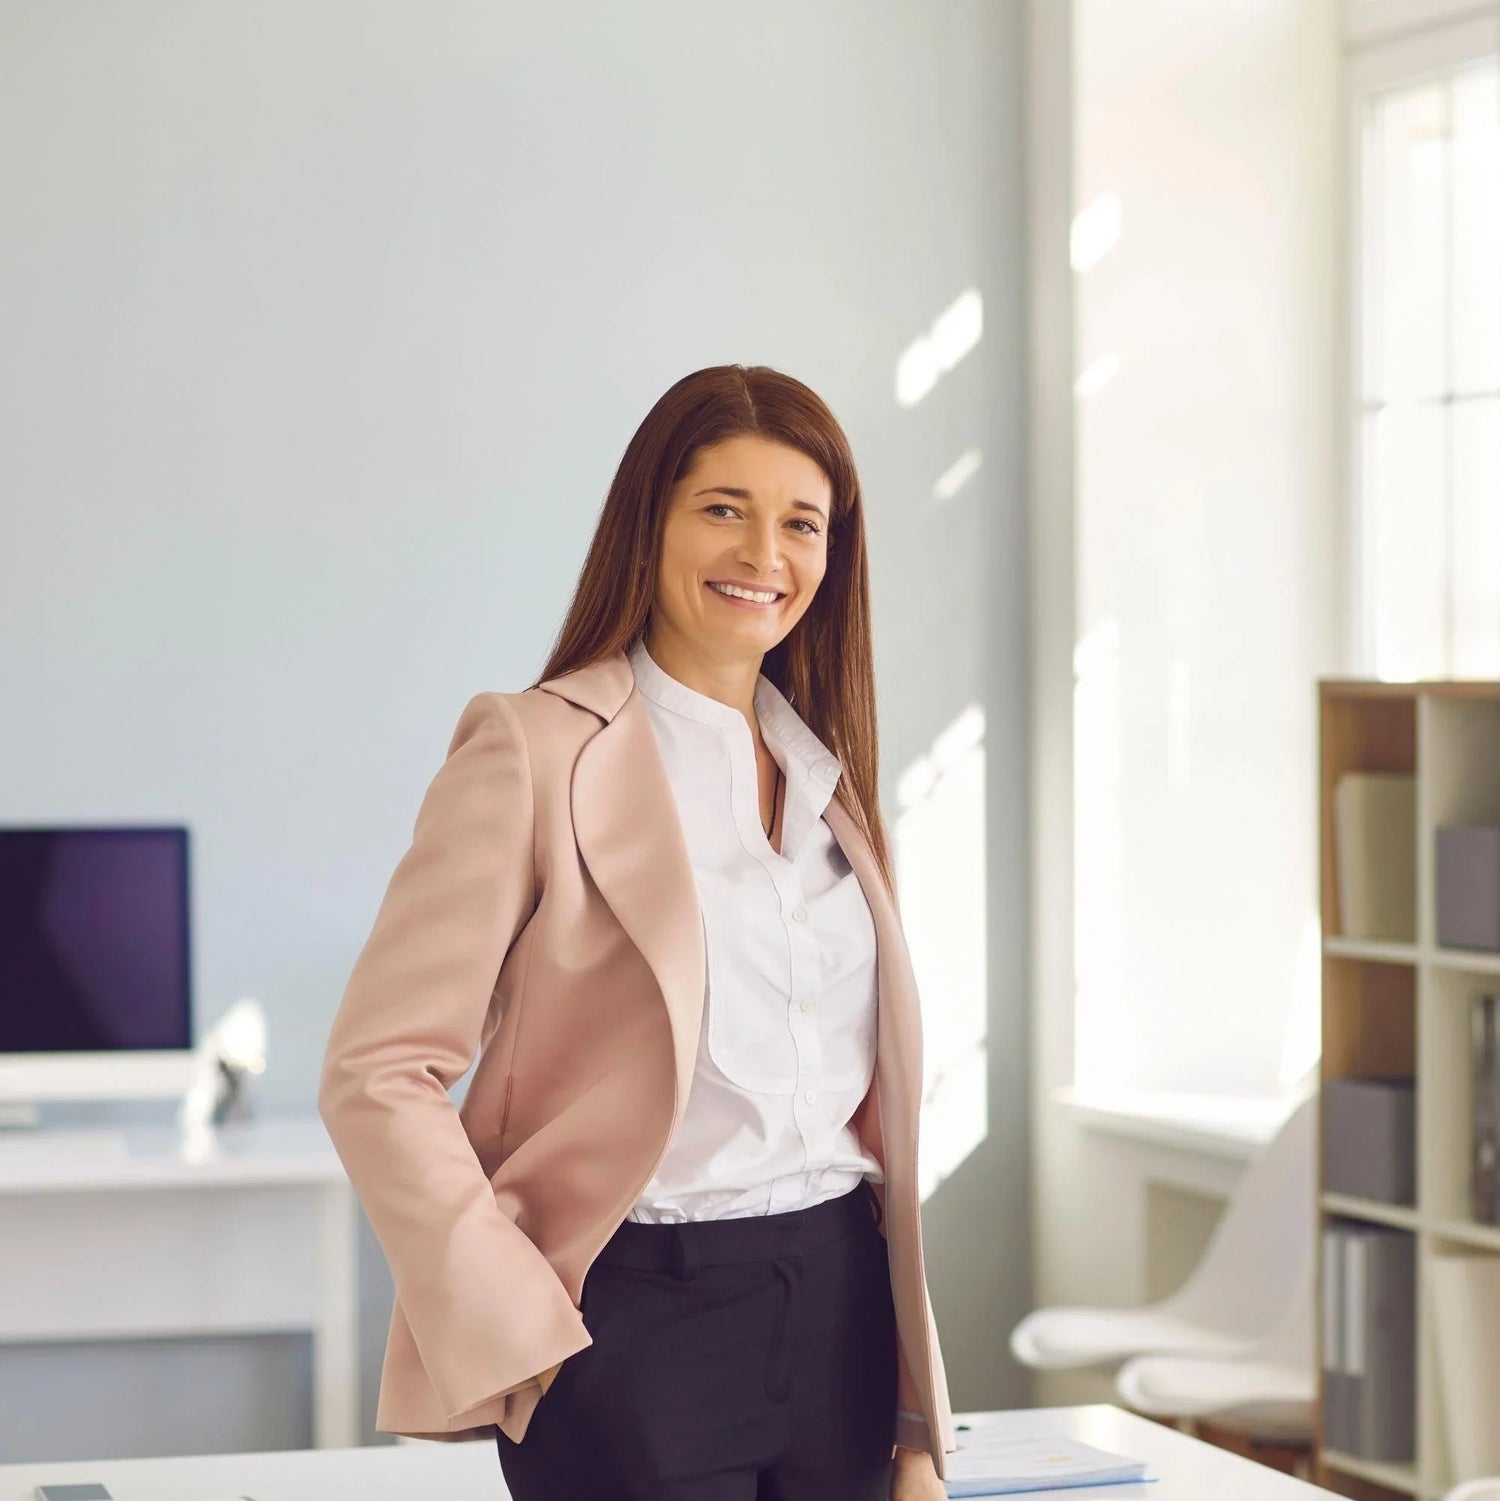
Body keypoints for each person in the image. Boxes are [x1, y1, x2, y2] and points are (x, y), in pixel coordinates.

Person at [318, 364, 956, 1500]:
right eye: (724, 509)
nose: (764, 554)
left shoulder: (832, 784)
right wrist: (517, 1317)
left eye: (799, 522)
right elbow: (378, 1070)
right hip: (631, 1331)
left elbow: (864, 1117)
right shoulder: (531, 751)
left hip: (843, 1321)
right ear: (649, 522)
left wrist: (916, 1425)